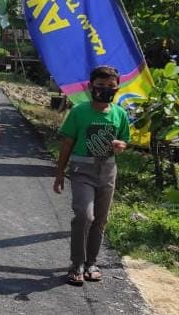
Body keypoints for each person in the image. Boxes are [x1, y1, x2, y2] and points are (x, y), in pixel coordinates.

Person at [53, 65, 131, 286]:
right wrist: (59, 174)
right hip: (82, 171)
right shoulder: (79, 112)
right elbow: (67, 143)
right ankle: (76, 263)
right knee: (84, 216)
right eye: (100, 85)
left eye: (110, 86)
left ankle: (91, 263)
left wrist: (120, 145)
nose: (105, 90)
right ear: (90, 87)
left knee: (100, 220)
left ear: (117, 88)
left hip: (107, 172)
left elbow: (125, 140)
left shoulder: (120, 114)